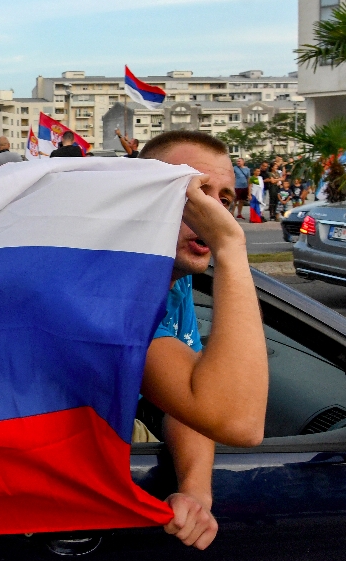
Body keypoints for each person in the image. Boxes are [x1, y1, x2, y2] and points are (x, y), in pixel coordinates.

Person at [138, 130, 268, 550]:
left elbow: (189, 397)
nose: (215, 213)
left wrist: (195, 491)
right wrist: (230, 248)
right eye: (194, 195)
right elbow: (238, 422)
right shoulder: (116, 290)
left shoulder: (170, 281)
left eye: (224, 200)